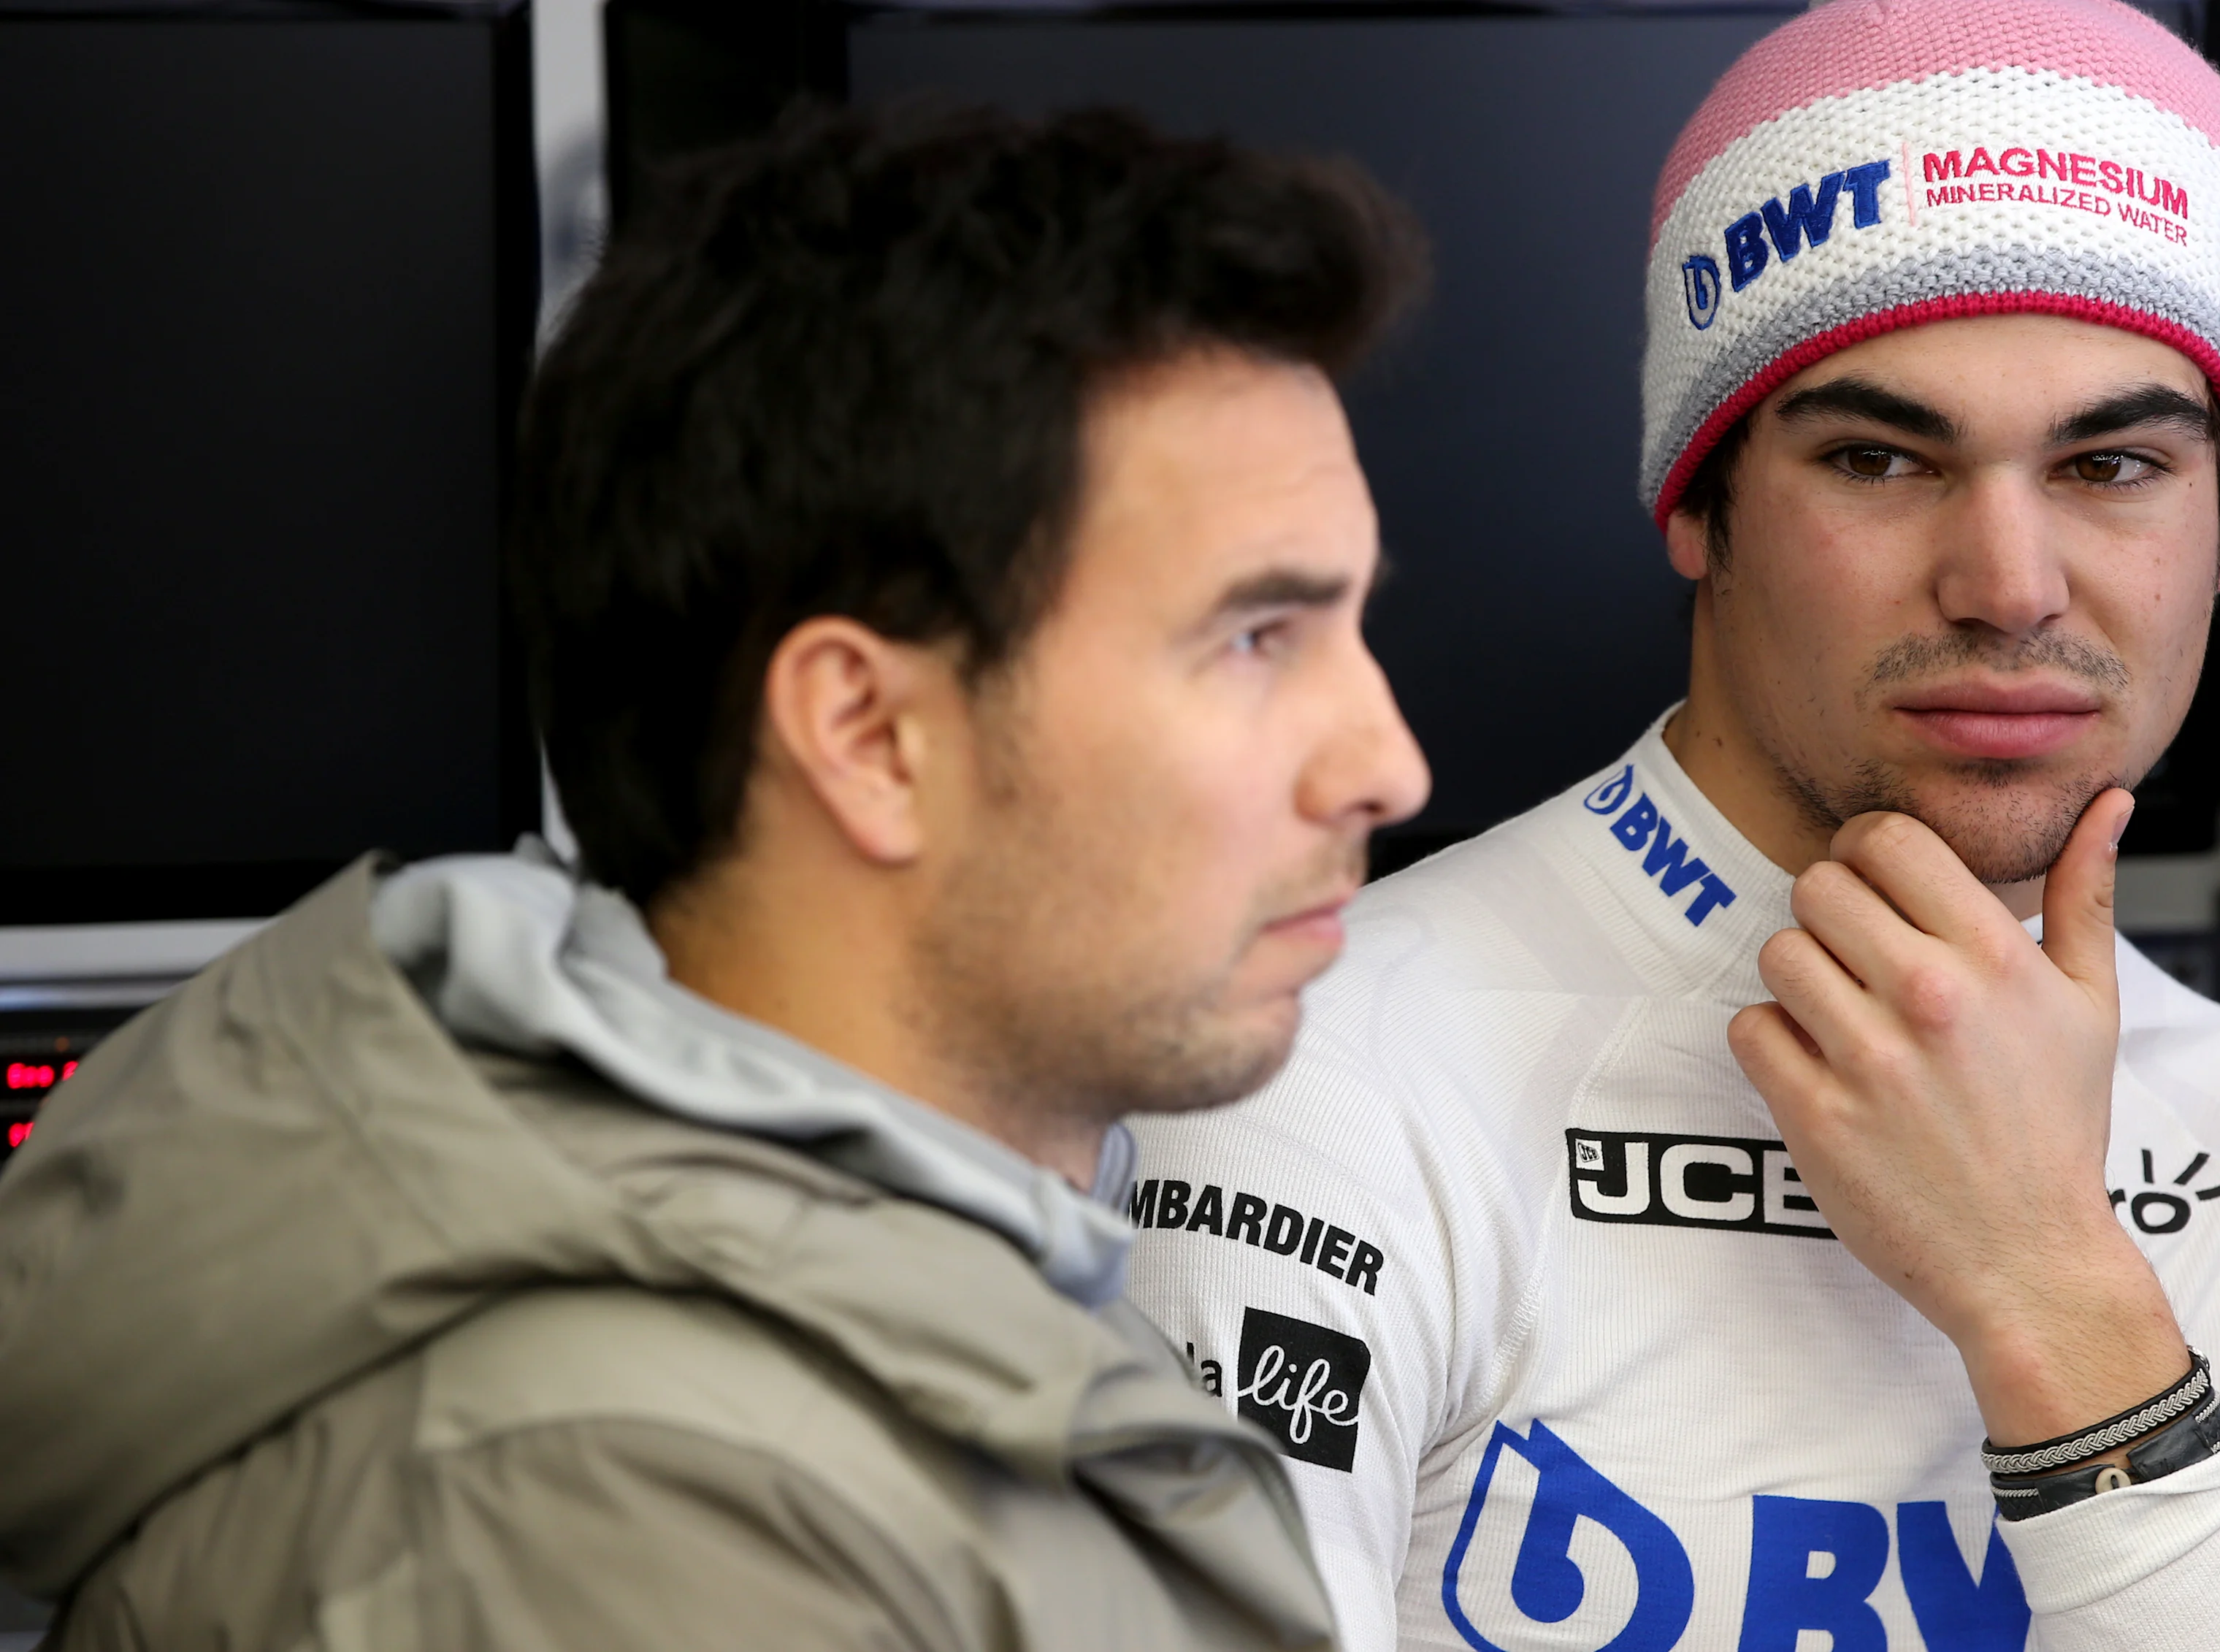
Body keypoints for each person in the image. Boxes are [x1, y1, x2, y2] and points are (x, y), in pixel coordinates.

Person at [1120, 3, 2220, 1649]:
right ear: (1697, 505)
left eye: (2112, 464)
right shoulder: (1295, 1078)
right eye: (1879, 458)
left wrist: (2050, 1292)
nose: (2008, 586)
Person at [0, 102, 1431, 1649]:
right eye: (1255, 637)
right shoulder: (614, 1523)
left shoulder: (904, 1328)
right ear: (869, 735)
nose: (1388, 763)